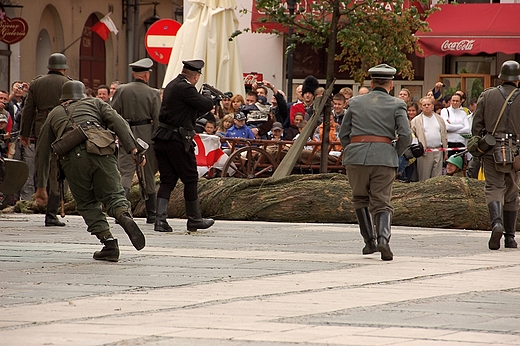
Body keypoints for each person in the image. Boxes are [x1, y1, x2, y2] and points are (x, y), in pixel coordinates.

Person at [34, 80, 146, 262]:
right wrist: (133, 149)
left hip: (73, 159)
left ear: (63, 98)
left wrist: (41, 186)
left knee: (87, 203)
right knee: (114, 195)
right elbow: (118, 122)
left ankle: (109, 244)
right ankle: (123, 216)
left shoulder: (54, 113)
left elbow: (42, 151)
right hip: (102, 150)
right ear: (83, 94)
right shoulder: (96, 103)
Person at [339, 63, 411, 261]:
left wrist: (352, 149)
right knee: (382, 202)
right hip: (384, 157)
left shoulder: (355, 102)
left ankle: (369, 241)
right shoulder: (397, 104)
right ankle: (383, 240)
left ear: (371, 83)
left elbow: (343, 133)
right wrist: (393, 152)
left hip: (355, 157)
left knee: (360, 198)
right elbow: (406, 135)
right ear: (391, 84)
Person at [152, 59, 215, 233]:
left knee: (168, 180)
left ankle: (160, 220)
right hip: (176, 140)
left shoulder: (173, 85)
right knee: (190, 178)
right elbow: (206, 105)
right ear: (195, 76)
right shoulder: (186, 88)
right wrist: (208, 96)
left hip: (162, 138)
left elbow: (188, 111)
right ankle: (194, 219)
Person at [472, 60, 520, 250]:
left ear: (500, 77)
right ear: (517, 79)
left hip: (492, 149)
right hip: (516, 151)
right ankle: (510, 237)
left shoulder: (487, 95)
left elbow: (476, 126)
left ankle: (497, 223)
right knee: (512, 190)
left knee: (494, 187)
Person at [20, 53, 72, 227]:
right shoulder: (69, 84)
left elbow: (28, 110)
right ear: (64, 68)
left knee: (42, 162)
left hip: (41, 125)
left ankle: (40, 192)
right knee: (57, 168)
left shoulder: (36, 83)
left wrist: (24, 133)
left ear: (49, 67)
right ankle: (51, 212)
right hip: (61, 126)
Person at [111, 58, 161, 224]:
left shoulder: (121, 90)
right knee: (147, 175)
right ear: (146, 75)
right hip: (145, 134)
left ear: (133, 74)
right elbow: (157, 119)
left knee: (125, 173)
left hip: (126, 134)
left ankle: (122, 211)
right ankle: (151, 214)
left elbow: (113, 114)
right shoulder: (153, 93)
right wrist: (154, 138)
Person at [410, 96, 448, 181]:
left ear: (432, 106)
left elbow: (444, 135)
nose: (427, 106)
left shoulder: (440, 119)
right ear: (421, 107)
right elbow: (412, 136)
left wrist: (446, 151)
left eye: (428, 104)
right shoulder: (416, 121)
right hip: (424, 153)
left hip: (438, 151)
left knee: (437, 178)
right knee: (424, 178)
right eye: (424, 105)